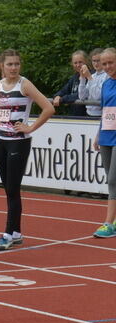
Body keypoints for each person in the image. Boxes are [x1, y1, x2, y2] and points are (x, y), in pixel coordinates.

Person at [0, 49, 54, 250]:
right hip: (1, 140)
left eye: (17, 64)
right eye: (10, 64)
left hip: (19, 141)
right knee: (8, 189)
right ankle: (16, 232)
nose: (14, 68)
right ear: (2, 66)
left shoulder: (24, 85)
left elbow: (49, 108)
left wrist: (30, 127)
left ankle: (8, 234)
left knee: (13, 189)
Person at [92, 48, 116, 238]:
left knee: (113, 179)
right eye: (104, 63)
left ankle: (108, 223)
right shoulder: (106, 84)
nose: (107, 66)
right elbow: (105, 110)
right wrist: (98, 134)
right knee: (111, 179)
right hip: (106, 134)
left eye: (111, 62)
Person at [52, 50, 89, 117]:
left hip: (88, 118)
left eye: (80, 62)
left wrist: (62, 99)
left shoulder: (91, 76)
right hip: (74, 117)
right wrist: (57, 96)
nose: (78, 65)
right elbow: (64, 90)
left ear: (86, 61)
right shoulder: (74, 77)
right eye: (75, 63)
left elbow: (81, 95)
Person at [78, 48, 107, 118]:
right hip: (88, 113)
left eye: (98, 61)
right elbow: (82, 97)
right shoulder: (93, 75)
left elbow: (97, 96)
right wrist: (82, 78)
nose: (96, 63)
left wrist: (89, 77)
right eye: (94, 61)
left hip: (101, 114)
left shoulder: (107, 75)